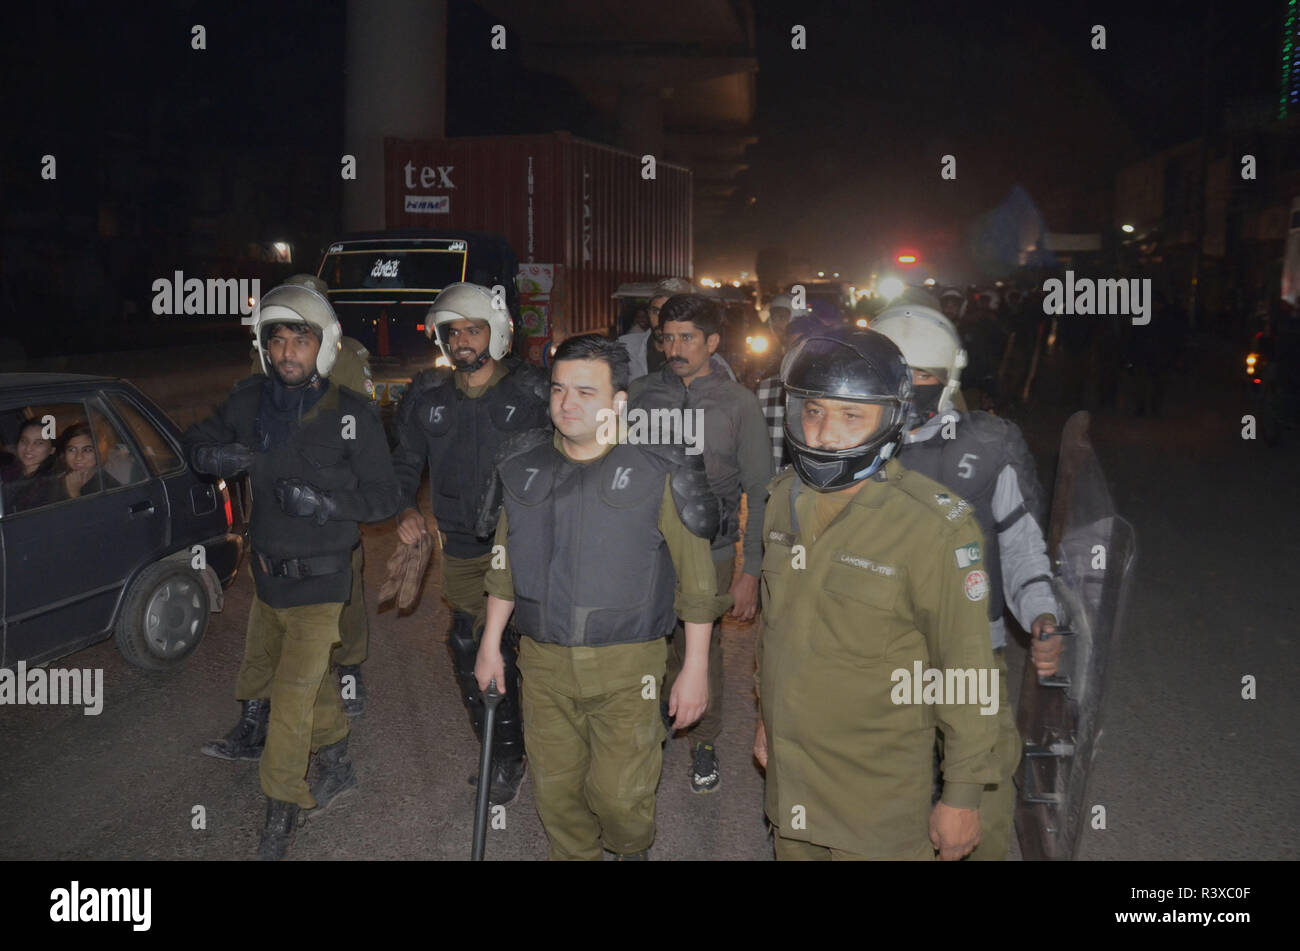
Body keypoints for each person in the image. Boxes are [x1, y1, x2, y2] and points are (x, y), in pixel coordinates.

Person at [474, 334, 728, 859]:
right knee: (557, 796)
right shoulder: (522, 466)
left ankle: (630, 851)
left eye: (585, 392)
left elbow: (699, 584)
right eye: (559, 389)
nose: (567, 404)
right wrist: (491, 643)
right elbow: (504, 566)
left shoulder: (662, 469)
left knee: (619, 800)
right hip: (541, 662)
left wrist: (695, 667)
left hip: (627, 663)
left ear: (618, 402)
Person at [753, 328, 1000, 860]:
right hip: (792, 781)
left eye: (850, 416)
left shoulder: (932, 528)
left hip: (877, 802)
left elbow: (966, 668)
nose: (823, 434)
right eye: (813, 412)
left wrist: (962, 796)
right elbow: (775, 629)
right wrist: (766, 719)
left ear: (891, 420)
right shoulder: (781, 502)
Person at [186, 279, 400, 860]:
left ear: (322, 346)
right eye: (276, 340)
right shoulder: (249, 399)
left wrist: (330, 505)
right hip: (267, 578)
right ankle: (339, 763)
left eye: (298, 341)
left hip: (324, 579)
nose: (286, 352)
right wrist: (212, 457)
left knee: (291, 696)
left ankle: (280, 814)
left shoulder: (352, 413)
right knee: (305, 688)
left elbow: (385, 496)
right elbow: (197, 440)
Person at [872, 301, 1062, 860]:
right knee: (882, 795)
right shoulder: (847, 439)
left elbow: (1022, 540)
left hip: (971, 646)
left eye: (924, 374)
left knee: (981, 792)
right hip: (878, 647)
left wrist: (1041, 615)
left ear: (948, 376)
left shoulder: (991, 444)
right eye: (898, 374)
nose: (911, 386)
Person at [389, 281, 549, 806]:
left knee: (542, 647)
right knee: (472, 644)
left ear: (495, 333)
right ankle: (503, 754)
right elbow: (405, 462)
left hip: (527, 543)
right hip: (461, 544)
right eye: (452, 331)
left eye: (472, 329)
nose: (461, 340)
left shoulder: (533, 392)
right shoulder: (427, 397)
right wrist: (406, 508)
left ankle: (558, 747)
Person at [629, 294, 770, 793]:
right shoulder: (639, 394)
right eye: (667, 336)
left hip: (710, 549)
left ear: (712, 342)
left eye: (687, 337)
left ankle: (703, 740)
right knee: (646, 645)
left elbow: (762, 491)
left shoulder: (739, 404)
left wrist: (751, 570)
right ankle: (649, 728)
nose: (674, 346)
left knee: (700, 651)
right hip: (646, 549)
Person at [248, 273, 378, 717]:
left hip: (331, 485)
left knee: (346, 585)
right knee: (276, 588)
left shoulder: (346, 352)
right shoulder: (271, 349)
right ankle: (279, 686)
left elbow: (359, 420)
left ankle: (349, 666)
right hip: (282, 489)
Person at [756, 314, 821, 472]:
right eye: (792, 347)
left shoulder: (831, 391)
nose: (798, 354)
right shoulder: (766, 389)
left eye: (805, 347)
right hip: (774, 485)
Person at [1, 418, 57, 511]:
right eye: (24, 441)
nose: (28, 448)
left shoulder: (52, 482)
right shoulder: (8, 473)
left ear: (52, 450)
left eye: (39, 443)